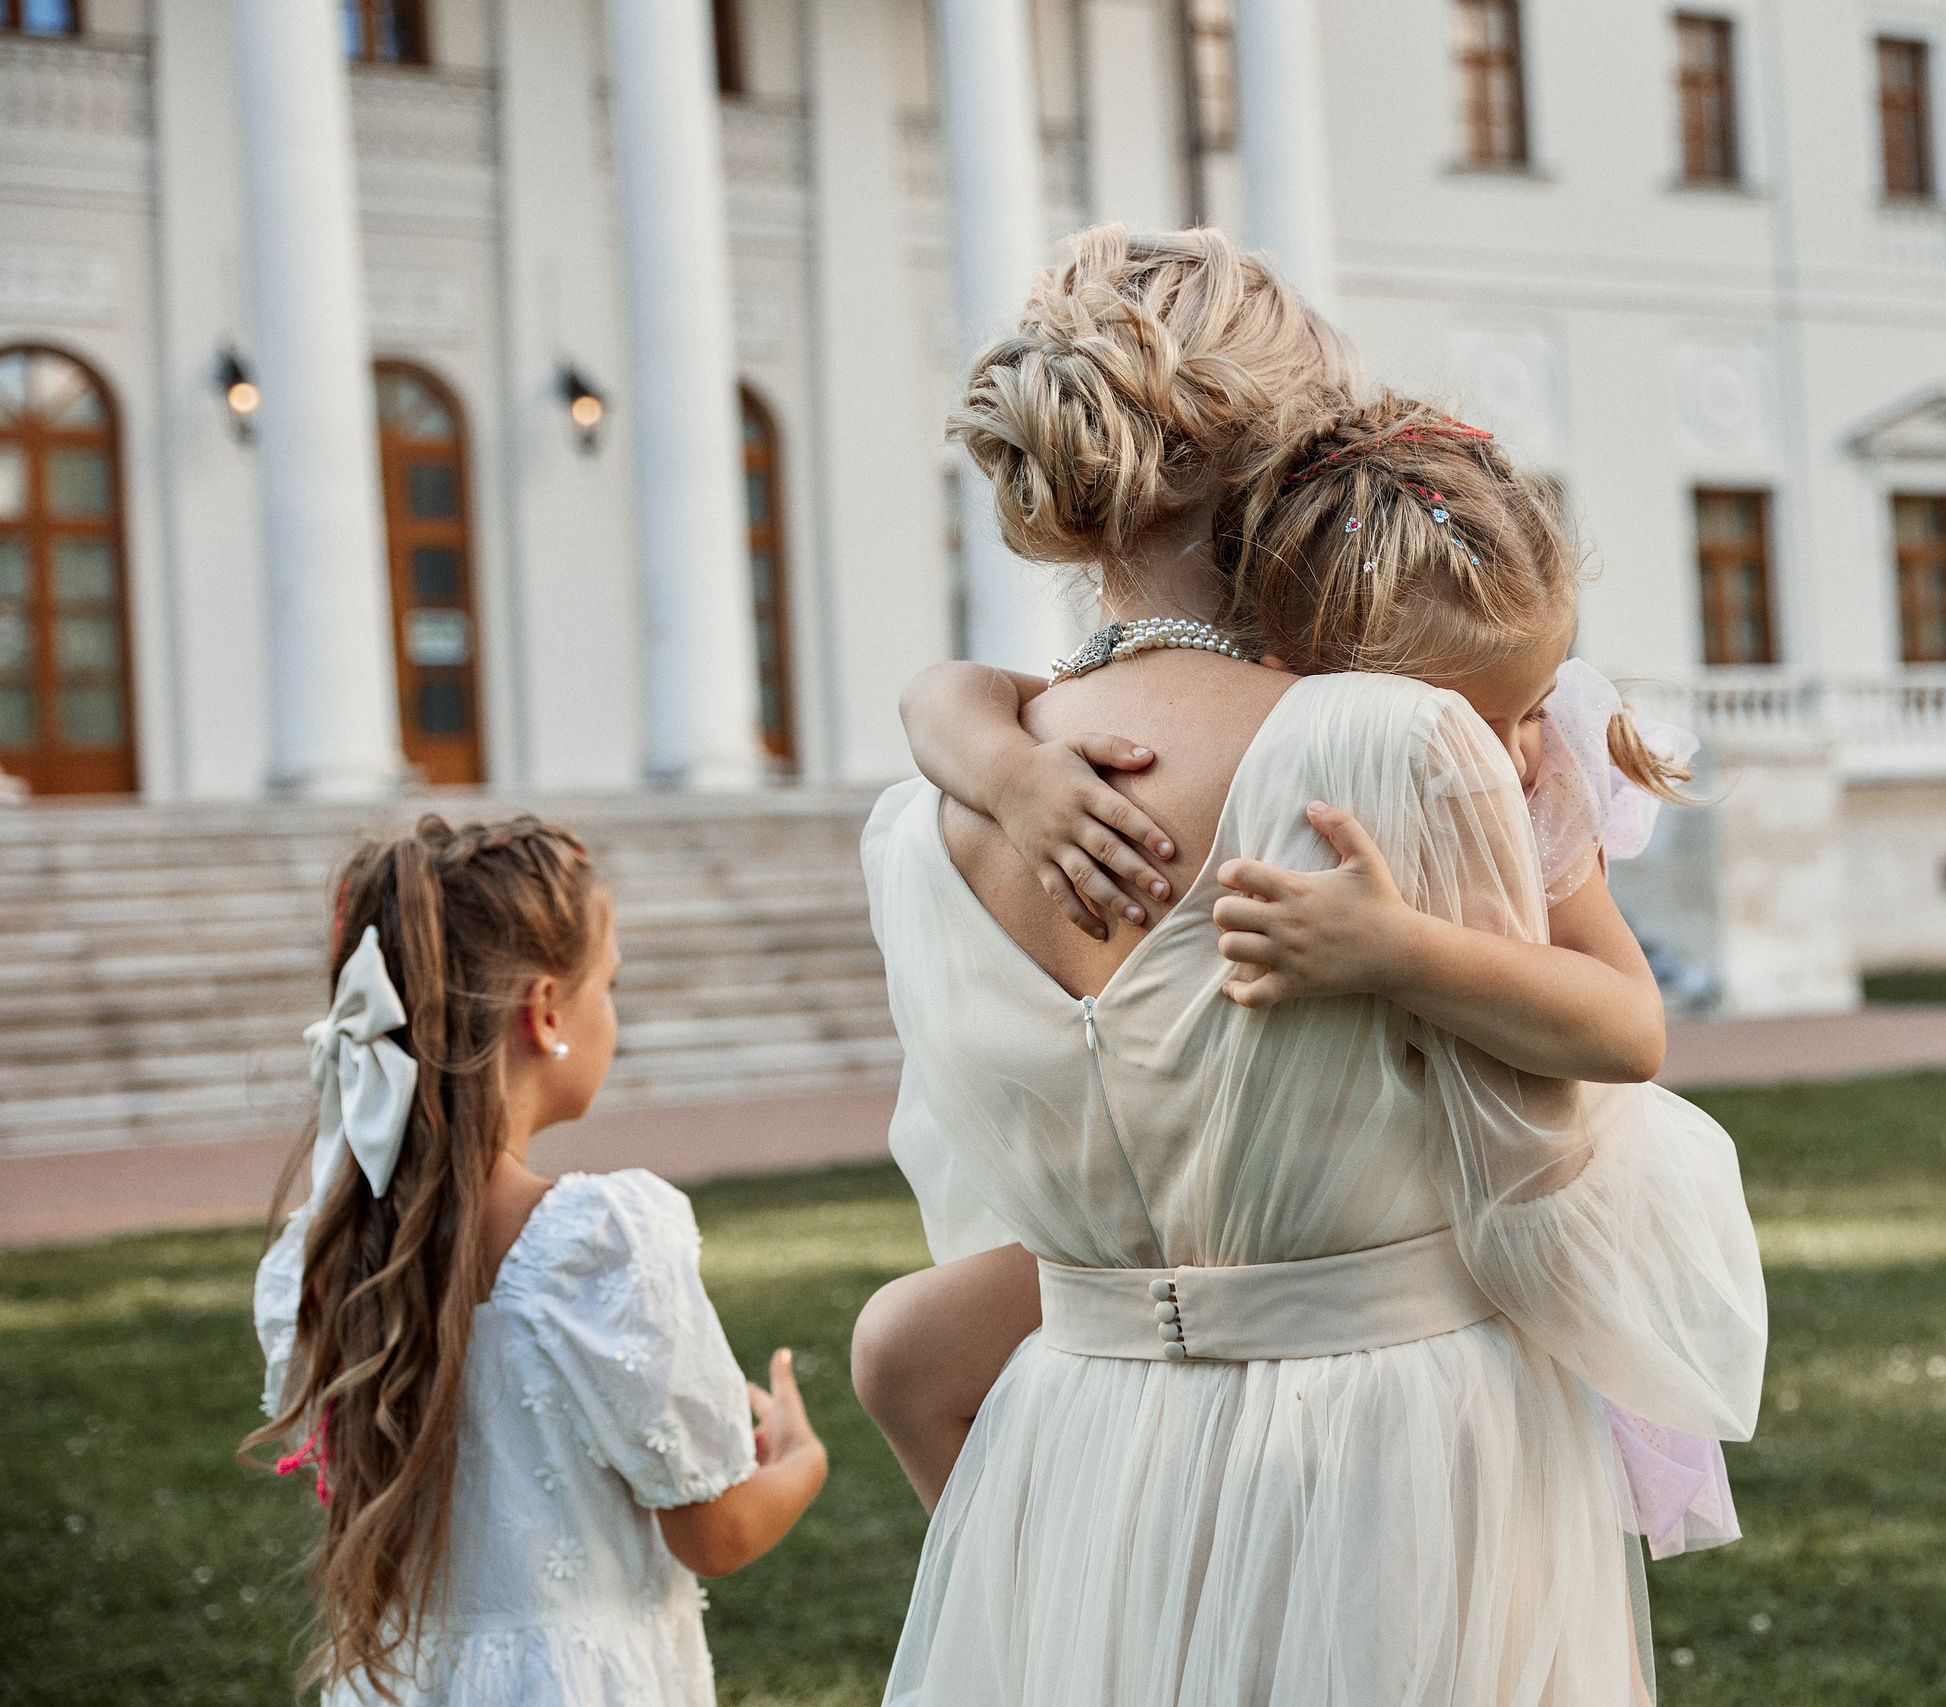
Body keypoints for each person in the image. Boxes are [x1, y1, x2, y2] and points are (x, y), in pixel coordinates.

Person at [859, 234, 1763, 1704]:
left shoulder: (929, 816)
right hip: (1391, 1456)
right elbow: (1543, 1139)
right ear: (1295, 449)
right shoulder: (1393, 744)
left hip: (1080, 1451)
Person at [242, 815, 827, 1705]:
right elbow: (717, 1531)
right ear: (547, 1011)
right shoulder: (597, 1243)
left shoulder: (324, 1257)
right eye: (611, 982)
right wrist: (799, 1455)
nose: (613, 1008)